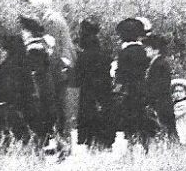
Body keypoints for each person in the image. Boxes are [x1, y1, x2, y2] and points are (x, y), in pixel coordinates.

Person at [20, 15, 61, 154]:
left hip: (39, 89)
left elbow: (34, 71)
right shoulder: (44, 44)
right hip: (47, 86)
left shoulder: (33, 48)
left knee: (39, 121)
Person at [74, 19, 113, 150]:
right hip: (103, 93)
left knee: (90, 124)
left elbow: (77, 78)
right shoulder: (104, 54)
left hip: (88, 94)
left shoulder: (83, 56)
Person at [0, 32, 28, 153]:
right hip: (21, 107)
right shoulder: (25, 62)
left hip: (6, 106)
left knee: (1, 139)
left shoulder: (6, 64)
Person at [114, 17, 150, 150]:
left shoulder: (125, 52)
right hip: (142, 87)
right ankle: (145, 145)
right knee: (141, 117)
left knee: (130, 117)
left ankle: (131, 145)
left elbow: (122, 74)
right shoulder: (142, 51)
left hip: (129, 90)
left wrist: (117, 88)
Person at [144, 34, 178, 143]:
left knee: (166, 129)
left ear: (156, 50)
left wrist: (149, 97)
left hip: (161, 102)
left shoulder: (159, 64)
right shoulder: (156, 63)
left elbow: (159, 86)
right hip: (162, 102)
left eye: (148, 48)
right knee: (168, 130)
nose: (145, 50)